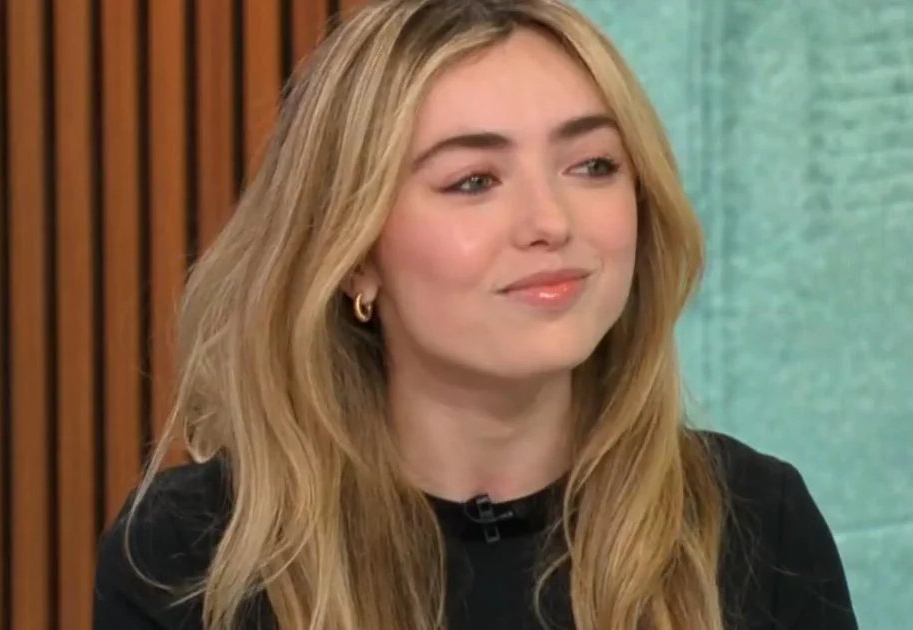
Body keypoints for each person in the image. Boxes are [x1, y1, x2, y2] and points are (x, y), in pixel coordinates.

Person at [93, 0, 858, 628]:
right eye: (473, 181)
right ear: (354, 252)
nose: (550, 221)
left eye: (592, 165)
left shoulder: (755, 520)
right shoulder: (188, 552)